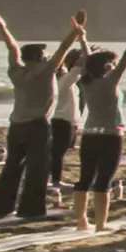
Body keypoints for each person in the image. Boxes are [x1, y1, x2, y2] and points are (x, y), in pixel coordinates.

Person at [0, 12, 82, 220]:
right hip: (37, 125)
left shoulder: (16, 72)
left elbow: (12, 48)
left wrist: (3, 28)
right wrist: (74, 33)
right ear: (39, 57)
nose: (47, 54)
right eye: (44, 52)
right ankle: (30, 209)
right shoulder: (46, 70)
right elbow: (63, 49)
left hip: (16, 125)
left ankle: (2, 207)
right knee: (37, 168)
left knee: (12, 167)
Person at [70, 16, 126, 232]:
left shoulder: (86, 81)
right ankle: (100, 224)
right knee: (103, 181)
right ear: (107, 66)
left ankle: (81, 222)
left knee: (84, 179)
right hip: (110, 136)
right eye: (111, 63)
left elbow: (90, 59)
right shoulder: (109, 81)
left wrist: (82, 37)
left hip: (89, 134)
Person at [50, 41, 83, 189]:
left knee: (57, 152)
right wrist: (82, 41)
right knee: (57, 152)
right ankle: (56, 180)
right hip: (62, 120)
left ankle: (54, 179)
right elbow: (78, 67)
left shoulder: (62, 81)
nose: (63, 67)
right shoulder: (64, 81)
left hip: (65, 120)